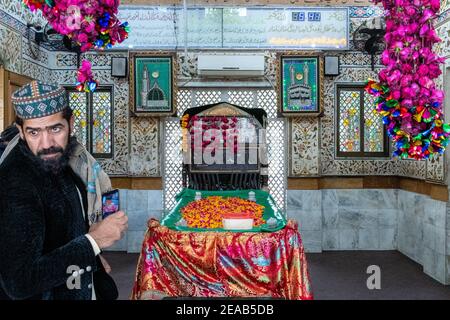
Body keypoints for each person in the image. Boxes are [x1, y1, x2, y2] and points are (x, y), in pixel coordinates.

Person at [0, 80, 128, 300]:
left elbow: (62, 235)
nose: (46, 143)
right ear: (21, 131)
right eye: (34, 132)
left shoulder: (60, 161)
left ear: (70, 123)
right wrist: (94, 242)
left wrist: (93, 256)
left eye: (55, 129)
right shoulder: (15, 181)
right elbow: (19, 281)